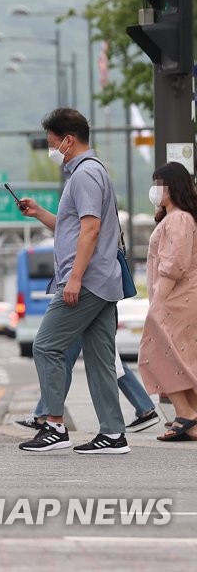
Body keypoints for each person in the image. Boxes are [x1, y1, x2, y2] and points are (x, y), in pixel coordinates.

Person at [16, 108, 128, 454]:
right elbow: (74, 227)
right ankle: (112, 434)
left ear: (68, 140)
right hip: (103, 279)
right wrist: (40, 214)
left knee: (46, 345)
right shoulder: (91, 173)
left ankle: (53, 425)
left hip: (88, 280)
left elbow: (91, 229)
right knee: (99, 359)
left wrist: (75, 278)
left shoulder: (84, 175)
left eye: (53, 144)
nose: (53, 151)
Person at [138, 161, 197, 441]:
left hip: (176, 300)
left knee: (155, 355)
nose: (154, 189)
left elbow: (174, 264)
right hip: (180, 299)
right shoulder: (175, 217)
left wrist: (158, 303)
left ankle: (186, 413)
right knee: (181, 358)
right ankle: (191, 420)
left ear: (172, 186)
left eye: (158, 183)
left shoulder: (179, 219)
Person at [16, 338, 159, 433]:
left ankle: (43, 415)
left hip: (84, 303)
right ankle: (144, 408)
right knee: (110, 360)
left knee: (65, 360)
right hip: (93, 302)